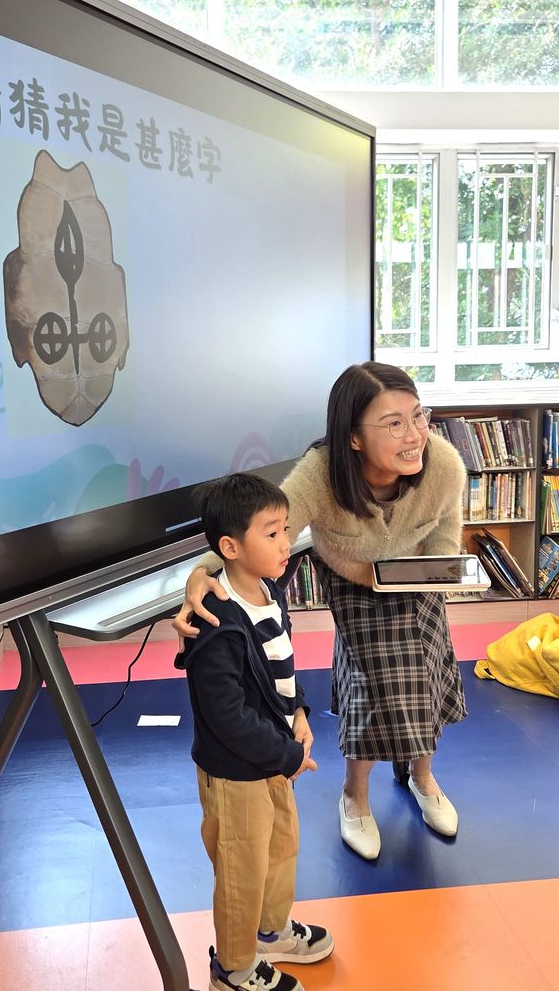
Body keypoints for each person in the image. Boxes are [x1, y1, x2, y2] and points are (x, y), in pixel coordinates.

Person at [174, 362, 468, 859]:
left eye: (418, 416)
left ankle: (422, 777)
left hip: (414, 577)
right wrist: (202, 571)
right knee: (373, 680)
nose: (415, 434)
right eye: (394, 423)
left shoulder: (444, 466)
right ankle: (355, 794)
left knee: (425, 671)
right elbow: (261, 527)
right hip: (352, 576)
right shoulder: (321, 472)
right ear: (353, 436)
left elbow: (444, 540)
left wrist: (434, 578)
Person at [178, 472, 334, 991]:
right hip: (237, 771)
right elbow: (225, 716)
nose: (286, 542)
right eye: (271, 533)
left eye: (286, 529)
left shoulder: (271, 594)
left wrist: (299, 712)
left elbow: (281, 670)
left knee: (281, 848)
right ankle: (235, 969)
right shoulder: (215, 622)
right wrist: (286, 754)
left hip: (272, 757)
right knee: (241, 870)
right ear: (231, 547)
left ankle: (271, 933)